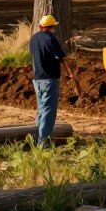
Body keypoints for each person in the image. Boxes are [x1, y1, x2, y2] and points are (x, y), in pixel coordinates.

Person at [29, 14, 75, 147]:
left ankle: (37, 138)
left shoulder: (33, 39)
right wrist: (71, 73)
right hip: (49, 80)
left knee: (41, 110)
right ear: (51, 27)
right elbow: (61, 57)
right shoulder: (51, 38)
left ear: (40, 26)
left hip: (37, 79)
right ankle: (43, 143)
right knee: (48, 112)